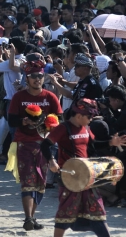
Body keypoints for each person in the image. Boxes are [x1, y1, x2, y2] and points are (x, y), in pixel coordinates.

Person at [41, 98, 126, 237]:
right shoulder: (63, 128)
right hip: (70, 176)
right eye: (89, 116)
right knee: (65, 213)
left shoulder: (86, 128)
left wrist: (110, 142)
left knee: (98, 212)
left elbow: (93, 145)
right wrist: (51, 161)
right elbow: (45, 145)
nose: (92, 119)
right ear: (79, 115)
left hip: (86, 175)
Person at [6, 60, 62, 231]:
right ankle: (28, 217)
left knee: (41, 183)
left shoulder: (49, 96)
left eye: (40, 76)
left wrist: (50, 123)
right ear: (27, 78)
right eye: (33, 76)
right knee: (28, 182)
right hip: (24, 143)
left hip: (45, 144)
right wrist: (23, 120)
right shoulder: (19, 97)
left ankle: (32, 216)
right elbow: (12, 120)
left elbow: (59, 118)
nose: (37, 79)